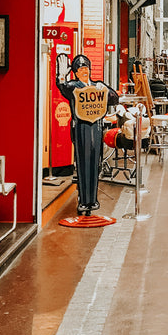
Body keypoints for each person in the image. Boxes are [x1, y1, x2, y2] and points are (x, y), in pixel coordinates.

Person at [56, 53, 118, 214]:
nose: (84, 71)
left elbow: (114, 98)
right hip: (81, 127)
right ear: (75, 72)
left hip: (96, 127)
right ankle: (84, 200)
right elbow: (63, 88)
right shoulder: (73, 86)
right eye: (80, 69)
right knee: (83, 164)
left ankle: (93, 199)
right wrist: (61, 76)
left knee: (95, 164)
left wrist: (105, 90)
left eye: (86, 68)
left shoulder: (97, 85)